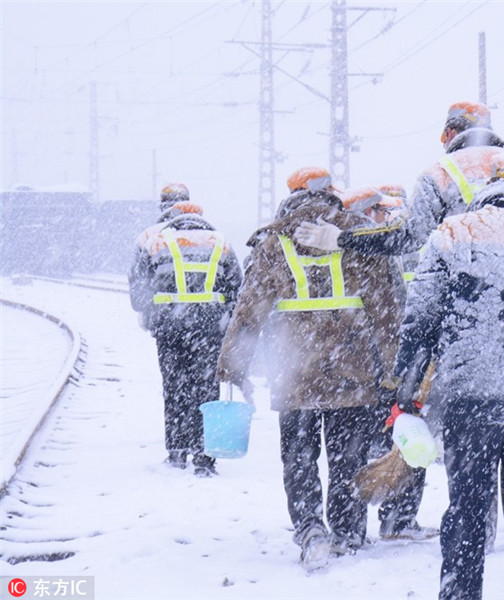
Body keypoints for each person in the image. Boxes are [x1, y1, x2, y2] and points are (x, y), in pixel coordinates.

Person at [383, 152, 504, 600]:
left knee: (467, 515)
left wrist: (407, 397)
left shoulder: (450, 236)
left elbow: (420, 323)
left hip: (469, 403)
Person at [215, 167, 405, 572]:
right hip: (352, 373)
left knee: (299, 459)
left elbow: (247, 313)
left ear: (293, 194)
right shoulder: (359, 236)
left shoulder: (272, 242)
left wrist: (232, 368)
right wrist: (394, 372)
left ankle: (309, 530)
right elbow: (388, 314)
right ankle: (348, 532)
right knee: (348, 458)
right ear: (332, 193)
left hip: (295, 373)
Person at [294, 100, 504, 256]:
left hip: (467, 295)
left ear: (451, 133)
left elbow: (407, 237)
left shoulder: (439, 173)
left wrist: (342, 238)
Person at [340, 185, 437, 542]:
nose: (387, 217)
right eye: (382, 211)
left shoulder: (373, 250)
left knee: (384, 443)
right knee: (408, 438)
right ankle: (397, 518)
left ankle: (362, 525)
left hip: (379, 367)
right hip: (397, 367)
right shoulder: (396, 251)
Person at [127, 184, 243, 477]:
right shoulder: (221, 242)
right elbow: (236, 288)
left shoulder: (155, 242)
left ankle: (177, 451)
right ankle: (205, 457)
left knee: (175, 388)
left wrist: (153, 314)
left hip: (170, 327)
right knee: (206, 388)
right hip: (210, 328)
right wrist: (224, 318)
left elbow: (138, 291)